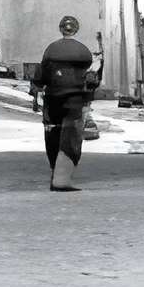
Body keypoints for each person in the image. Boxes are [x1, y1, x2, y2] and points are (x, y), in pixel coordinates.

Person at [31, 16, 101, 191]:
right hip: (75, 101)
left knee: (53, 135)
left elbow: (41, 76)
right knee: (70, 138)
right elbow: (90, 79)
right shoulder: (83, 52)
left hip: (52, 100)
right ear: (75, 30)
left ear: (61, 29)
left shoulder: (51, 50)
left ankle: (55, 172)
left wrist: (35, 94)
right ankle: (61, 180)